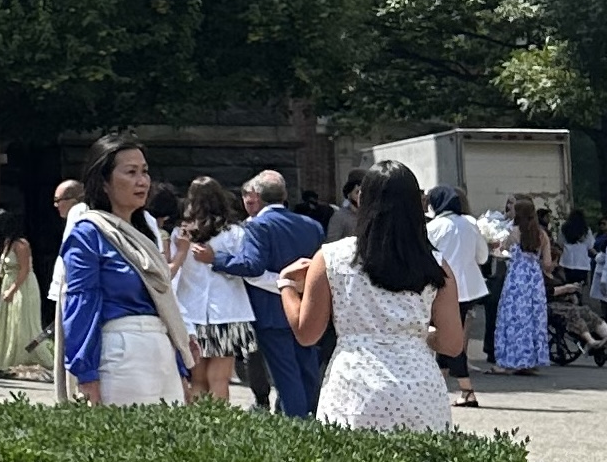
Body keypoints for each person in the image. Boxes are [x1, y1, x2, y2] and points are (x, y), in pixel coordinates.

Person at [281, 160, 461, 431]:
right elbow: (451, 344)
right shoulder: (435, 263)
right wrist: (416, 334)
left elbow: (307, 334)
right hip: (420, 388)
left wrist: (285, 285)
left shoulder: (332, 258)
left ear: (362, 199)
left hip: (355, 384)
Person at [57, 134, 191, 405]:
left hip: (161, 350)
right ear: (104, 182)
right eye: (131, 172)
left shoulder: (144, 233)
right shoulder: (88, 234)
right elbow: (82, 303)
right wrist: (86, 373)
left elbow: (163, 304)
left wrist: (180, 364)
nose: (142, 181)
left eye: (145, 172)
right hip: (119, 353)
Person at [207, 171, 326, 415]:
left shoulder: (257, 226)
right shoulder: (311, 225)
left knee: (286, 374)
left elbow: (252, 266)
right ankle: (312, 417)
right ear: (284, 194)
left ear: (257, 197)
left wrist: (216, 259)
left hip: (271, 311)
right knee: (308, 371)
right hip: (306, 307)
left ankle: (296, 422)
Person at [170, 176, 255, 404]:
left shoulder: (181, 234)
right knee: (219, 380)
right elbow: (242, 267)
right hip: (227, 312)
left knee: (197, 380)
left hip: (191, 313)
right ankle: (220, 422)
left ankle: (198, 423)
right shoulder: (234, 233)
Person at [425, 187, 489, 407]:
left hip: (443, 288)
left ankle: (466, 389)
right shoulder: (470, 223)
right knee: (451, 333)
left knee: (448, 338)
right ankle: (440, 386)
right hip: (469, 288)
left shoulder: (433, 227)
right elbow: (482, 257)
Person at [0, 207, 51, 379]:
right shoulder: (7, 244)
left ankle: (28, 356)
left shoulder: (21, 244)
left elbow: (25, 270)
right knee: (7, 321)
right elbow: (2, 269)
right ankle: (6, 357)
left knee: (21, 321)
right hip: (9, 283)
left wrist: (12, 290)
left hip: (22, 286)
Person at [493, 198, 551, 374]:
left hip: (516, 279)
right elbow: (547, 263)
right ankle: (531, 360)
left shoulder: (512, 232)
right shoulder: (542, 235)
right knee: (534, 318)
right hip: (534, 280)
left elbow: (501, 252)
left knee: (513, 318)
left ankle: (511, 360)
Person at [48, 178, 87, 400]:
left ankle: (70, 395)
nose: (56, 205)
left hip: (71, 288)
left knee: (69, 343)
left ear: (74, 199)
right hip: (69, 287)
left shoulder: (78, 212)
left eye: (58, 200)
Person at [325, 169, 364, 242]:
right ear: (349, 194)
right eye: (357, 192)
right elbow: (332, 243)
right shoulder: (340, 217)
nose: (361, 197)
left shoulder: (373, 216)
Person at [559, 208, 593, 289]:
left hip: (567, 261)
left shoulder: (564, 229)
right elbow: (590, 245)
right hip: (582, 262)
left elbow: (560, 243)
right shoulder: (586, 230)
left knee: (568, 284)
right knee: (581, 285)